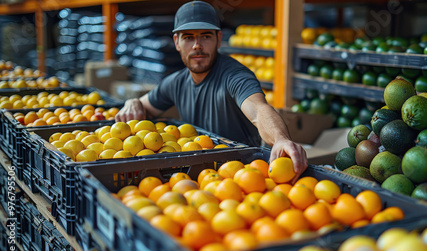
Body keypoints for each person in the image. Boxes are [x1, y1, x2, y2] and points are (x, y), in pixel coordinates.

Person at [115, 0, 307, 182]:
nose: (197, 45)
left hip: (241, 177)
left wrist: (281, 139)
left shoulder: (235, 76)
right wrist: (133, 102)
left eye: (205, 36)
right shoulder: (176, 82)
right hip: (193, 177)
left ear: (219, 39)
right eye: (188, 37)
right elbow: (144, 105)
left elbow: (258, 109)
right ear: (176, 42)